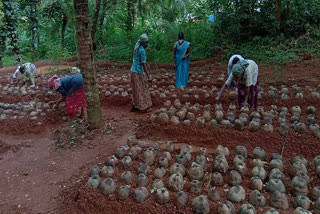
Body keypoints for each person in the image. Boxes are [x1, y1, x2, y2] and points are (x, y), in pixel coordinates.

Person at [130, 33, 152, 113]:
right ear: (142, 42)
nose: (147, 44)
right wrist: (148, 75)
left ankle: (135, 105)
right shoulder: (142, 50)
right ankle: (143, 108)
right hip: (138, 72)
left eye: (147, 42)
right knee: (142, 89)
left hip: (133, 71)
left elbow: (141, 61)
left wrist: (146, 63)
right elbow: (143, 64)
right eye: (146, 42)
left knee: (135, 89)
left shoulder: (137, 47)